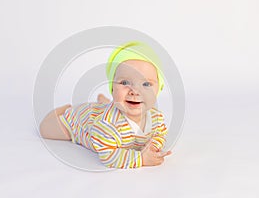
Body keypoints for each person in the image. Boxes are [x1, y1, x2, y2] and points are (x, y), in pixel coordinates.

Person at [40, 41, 172, 168]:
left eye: (146, 84)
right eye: (125, 83)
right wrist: (141, 159)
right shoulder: (107, 125)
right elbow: (108, 155)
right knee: (45, 130)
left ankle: (104, 102)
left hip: (105, 111)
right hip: (79, 120)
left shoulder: (156, 118)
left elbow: (160, 135)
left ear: (158, 89)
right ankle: (64, 110)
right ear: (112, 88)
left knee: (114, 106)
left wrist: (153, 147)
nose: (135, 91)